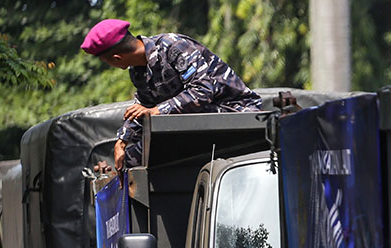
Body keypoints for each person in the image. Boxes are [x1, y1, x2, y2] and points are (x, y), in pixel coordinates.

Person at [80, 19, 262, 171]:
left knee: (153, 150)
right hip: (199, 121)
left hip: (236, 112)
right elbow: (141, 108)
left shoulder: (173, 46)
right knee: (131, 159)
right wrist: (122, 140)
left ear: (116, 59)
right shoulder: (137, 72)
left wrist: (157, 110)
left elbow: (203, 91)